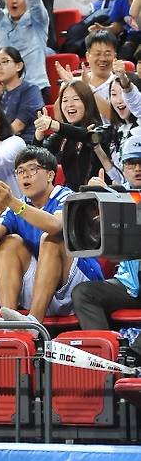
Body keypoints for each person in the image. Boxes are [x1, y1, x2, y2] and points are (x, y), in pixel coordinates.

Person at [0, 146, 103, 329]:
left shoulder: (66, 195)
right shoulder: (19, 204)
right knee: (9, 243)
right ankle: (8, 319)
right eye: (20, 171)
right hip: (43, 288)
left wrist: (11, 202)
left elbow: (54, 225)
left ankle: (34, 322)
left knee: (51, 239)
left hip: (79, 281)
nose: (25, 175)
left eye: (32, 169)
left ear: (50, 175)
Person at [72, 133, 141, 328]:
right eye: (131, 163)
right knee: (83, 293)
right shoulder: (113, 196)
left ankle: (133, 355)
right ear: (123, 167)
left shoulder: (118, 197)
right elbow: (89, 236)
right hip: (129, 285)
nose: (137, 169)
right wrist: (95, 202)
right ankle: (103, 354)